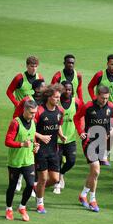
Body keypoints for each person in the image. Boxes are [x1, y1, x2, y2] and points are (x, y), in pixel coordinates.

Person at [74, 86, 113, 212]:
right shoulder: (88, 106)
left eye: (107, 98)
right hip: (89, 142)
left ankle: (83, 195)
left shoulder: (112, 107)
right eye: (103, 98)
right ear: (97, 95)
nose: (105, 100)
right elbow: (76, 118)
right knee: (96, 171)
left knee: (93, 173)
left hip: (102, 142)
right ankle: (92, 199)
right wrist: (80, 131)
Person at [33, 84, 67, 214]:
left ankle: (37, 189)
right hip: (41, 150)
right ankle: (40, 203)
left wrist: (61, 135)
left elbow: (58, 125)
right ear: (49, 97)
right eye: (56, 97)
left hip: (54, 150)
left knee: (54, 179)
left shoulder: (60, 111)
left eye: (59, 97)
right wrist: (40, 136)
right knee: (42, 178)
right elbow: (30, 129)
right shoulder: (39, 111)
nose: (58, 99)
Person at [4, 100, 40, 221]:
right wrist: (21, 144)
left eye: (35, 113)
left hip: (28, 160)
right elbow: (7, 141)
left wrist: (36, 145)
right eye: (31, 113)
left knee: (30, 184)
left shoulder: (34, 121)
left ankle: (22, 207)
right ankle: (9, 209)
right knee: (12, 187)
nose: (33, 115)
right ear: (24, 110)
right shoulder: (15, 123)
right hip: (15, 161)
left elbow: (32, 136)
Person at [53, 82, 82, 194]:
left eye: (69, 90)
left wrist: (81, 131)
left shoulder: (77, 102)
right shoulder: (56, 101)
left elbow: (80, 117)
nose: (67, 91)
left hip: (70, 138)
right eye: (65, 89)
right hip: (57, 139)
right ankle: (57, 183)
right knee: (57, 161)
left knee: (71, 161)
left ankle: (61, 174)